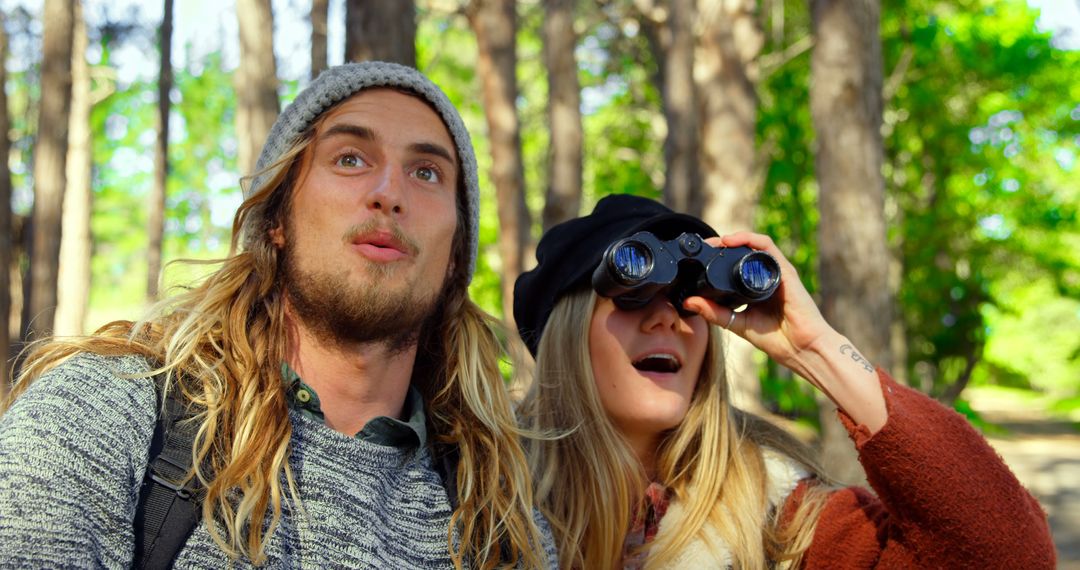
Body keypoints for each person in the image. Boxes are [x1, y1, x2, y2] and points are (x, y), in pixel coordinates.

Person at [0, 62, 555, 569]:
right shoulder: (106, 416)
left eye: (427, 172)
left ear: (456, 251)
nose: (389, 193)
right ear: (277, 219)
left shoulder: (507, 515)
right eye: (350, 159)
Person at [513, 193, 1055, 569]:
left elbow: (1007, 555)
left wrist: (816, 349)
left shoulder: (781, 523)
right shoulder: (472, 495)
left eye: (688, 300)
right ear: (565, 333)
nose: (668, 320)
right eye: (633, 296)